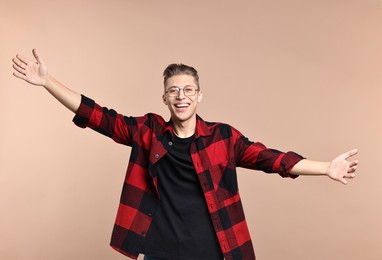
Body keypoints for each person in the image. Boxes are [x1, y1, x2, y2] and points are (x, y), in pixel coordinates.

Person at [12, 49, 358, 260]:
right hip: (159, 251)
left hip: (213, 251)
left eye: (188, 90)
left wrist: (327, 167)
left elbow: (274, 160)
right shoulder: (147, 132)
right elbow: (99, 116)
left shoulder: (223, 137)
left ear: (199, 96)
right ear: (164, 99)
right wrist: (48, 82)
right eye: (173, 90)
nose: (181, 96)